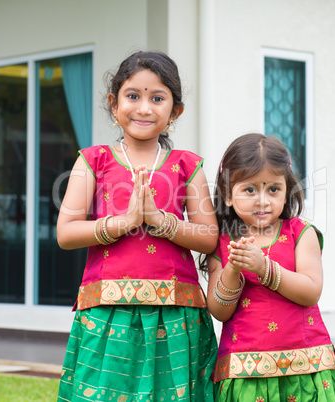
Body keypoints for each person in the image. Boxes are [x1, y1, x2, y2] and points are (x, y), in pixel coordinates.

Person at [57, 50, 218, 401]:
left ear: (175, 112)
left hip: (175, 314)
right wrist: (123, 223)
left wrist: (161, 222)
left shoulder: (186, 165)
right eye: (133, 96)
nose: (144, 108)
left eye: (157, 98)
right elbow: (66, 233)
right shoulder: (93, 160)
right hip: (107, 313)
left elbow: (209, 238)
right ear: (114, 104)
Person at [203, 133, 335, 401]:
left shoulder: (300, 233)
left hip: (306, 365)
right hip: (245, 372)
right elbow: (219, 312)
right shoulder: (222, 242)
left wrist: (264, 268)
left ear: (287, 192)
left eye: (273, 189)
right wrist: (232, 270)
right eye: (249, 189)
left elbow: (310, 291)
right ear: (227, 195)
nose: (263, 200)